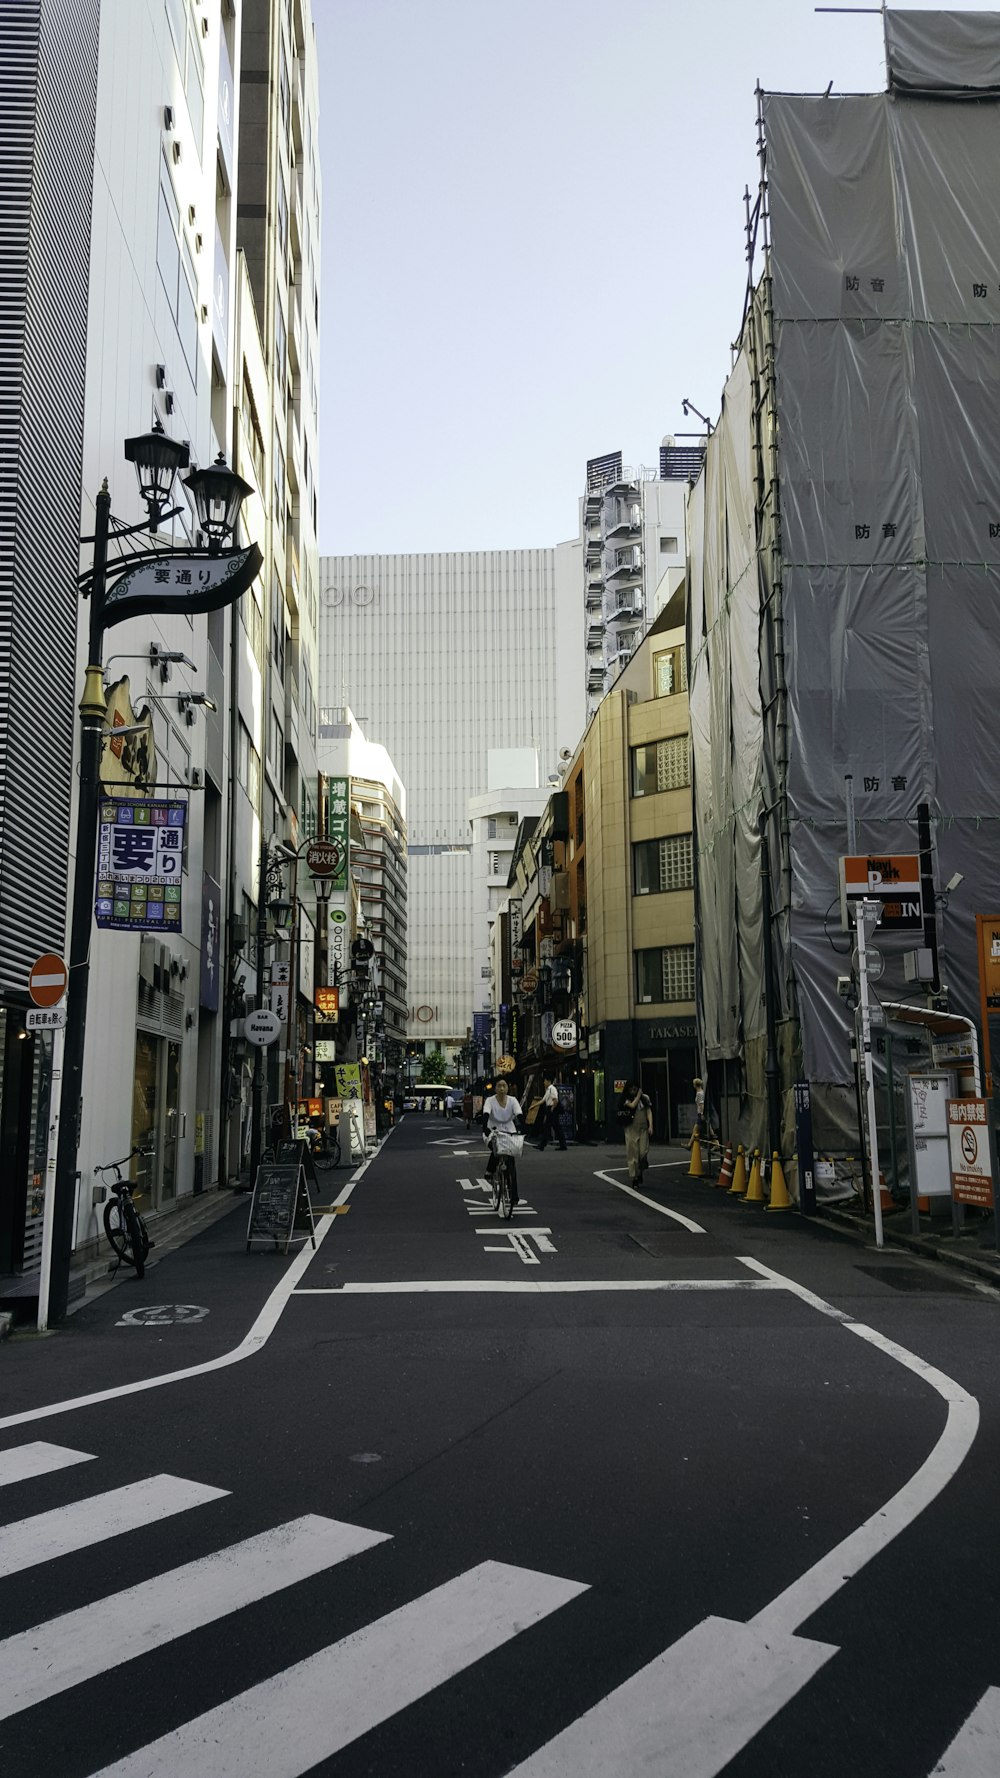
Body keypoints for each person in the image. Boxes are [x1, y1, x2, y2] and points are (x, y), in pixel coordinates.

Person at [481, 1077, 525, 1180]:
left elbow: (519, 1114)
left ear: (507, 1088)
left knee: (511, 1158)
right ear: (495, 1088)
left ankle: (514, 1195)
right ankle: (490, 1170)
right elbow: (486, 1114)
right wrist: (485, 1128)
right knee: (497, 1150)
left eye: (504, 1086)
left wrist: (524, 1127)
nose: (502, 1089)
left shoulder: (513, 1100)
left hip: (509, 1130)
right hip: (492, 1130)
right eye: (499, 1086)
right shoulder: (490, 1101)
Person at [618, 1079, 652, 1184]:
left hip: (643, 1128)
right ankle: (635, 1177)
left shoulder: (645, 1098)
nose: (633, 1090)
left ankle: (640, 1171)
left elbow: (649, 1111)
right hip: (630, 1128)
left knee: (643, 1152)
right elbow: (632, 1105)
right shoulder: (626, 1099)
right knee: (632, 1153)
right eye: (631, 1088)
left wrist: (651, 1125)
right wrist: (638, 1095)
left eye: (635, 1088)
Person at [536, 1075, 566, 1151]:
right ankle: (563, 1145)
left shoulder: (552, 1089)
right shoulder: (548, 1090)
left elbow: (555, 1100)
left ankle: (542, 1145)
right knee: (556, 1128)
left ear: (549, 1081)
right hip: (550, 1109)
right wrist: (534, 1106)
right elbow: (543, 1100)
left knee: (547, 1127)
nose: (544, 1082)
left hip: (552, 1109)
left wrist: (552, 1109)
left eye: (545, 1081)